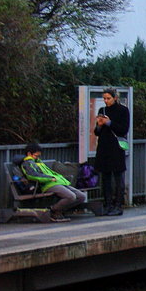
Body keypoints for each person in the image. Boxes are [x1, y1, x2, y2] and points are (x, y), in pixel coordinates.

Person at [20, 143, 88, 223]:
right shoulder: (27, 163)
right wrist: (50, 179)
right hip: (47, 184)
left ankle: (59, 210)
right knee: (71, 196)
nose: (38, 157)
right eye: (36, 155)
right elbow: (33, 175)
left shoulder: (38, 162)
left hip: (57, 182)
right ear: (29, 153)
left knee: (81, 197)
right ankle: (52, 210)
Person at [93, 87, 130, 216]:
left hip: (116, 147)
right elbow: (97, 132)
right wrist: (99, 125)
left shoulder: (123, 110)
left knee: (118, 176)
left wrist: (109, 123)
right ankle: (107, 204)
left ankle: (118, 205)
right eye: (104, 98)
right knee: (106, 177)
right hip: (104, 147)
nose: (106, 101)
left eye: (108, 98)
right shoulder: (102, 110)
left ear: (115, 98)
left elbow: (123, 129)